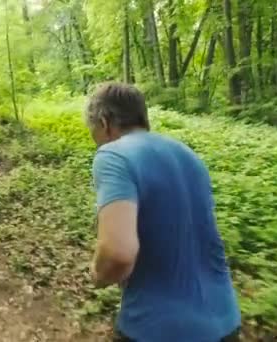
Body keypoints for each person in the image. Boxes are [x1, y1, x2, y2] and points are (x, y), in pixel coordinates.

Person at [86, 82, 241, 342]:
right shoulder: (188, 154)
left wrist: (97, 274)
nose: (96, 141)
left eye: (93, 133)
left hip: (158, 328)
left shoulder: (113, 156)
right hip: (226, 321)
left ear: (105, 122)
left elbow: (118, 254)